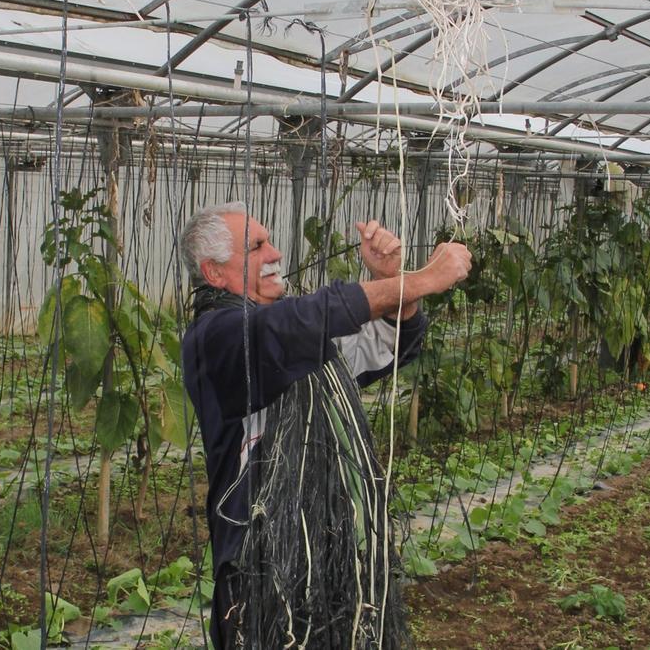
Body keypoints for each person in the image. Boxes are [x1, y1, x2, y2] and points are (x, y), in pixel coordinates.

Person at [179, 201, 472, 649]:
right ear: (214, 273)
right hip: (261, 567)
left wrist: (394, 285)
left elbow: (385, 347)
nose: (275, 253)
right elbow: (286, 330)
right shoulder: (214, 338)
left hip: (328, 552)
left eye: (270, 240)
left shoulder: (302, 340)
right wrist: (423, 279)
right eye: (256, 247)